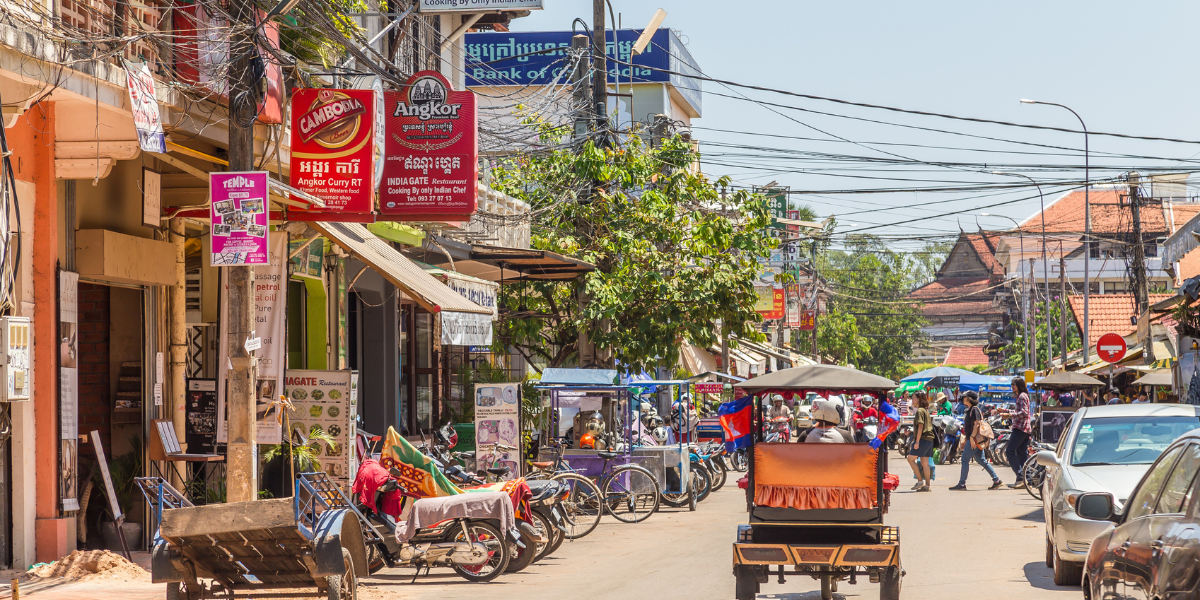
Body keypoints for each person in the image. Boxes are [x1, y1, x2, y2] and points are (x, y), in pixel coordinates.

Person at [949, 392, 1003, 490]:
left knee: (965, 459)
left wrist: (972, 438)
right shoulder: (970, 410)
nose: (963, 399)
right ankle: (997, 480)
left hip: (974, 439)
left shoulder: (974, 410)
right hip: (973, 439)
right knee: (981, 460)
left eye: (965, 397)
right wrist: (967, 438)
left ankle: (962, 484)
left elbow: (977, 424)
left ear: (970, 398)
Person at [998, 377, 1033, 489]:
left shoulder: (1022, 396)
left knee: (1010, 451)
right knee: (1022, 454)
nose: (1012, 386)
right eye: (1011, 384)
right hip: (1023, 428)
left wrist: (1009, 415)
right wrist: (1005, 411)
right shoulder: (1021, 396)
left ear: (1019, 385)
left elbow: (1024, 413)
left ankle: (1020, 477)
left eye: (1014, 384)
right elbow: (1019, 411)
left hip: (1021, 428)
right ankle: (1027, 480)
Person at [906, 391, 935, 492]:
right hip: (929, 439)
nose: (912, 399)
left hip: (922, 439)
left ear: (919, 399)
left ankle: (920, 481)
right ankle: (927, 485)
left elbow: (920, 426)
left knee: (910, 459)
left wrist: (917, 442)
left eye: (914, 397)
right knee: (924, 462)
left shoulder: (920, 411)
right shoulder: (925, 410)